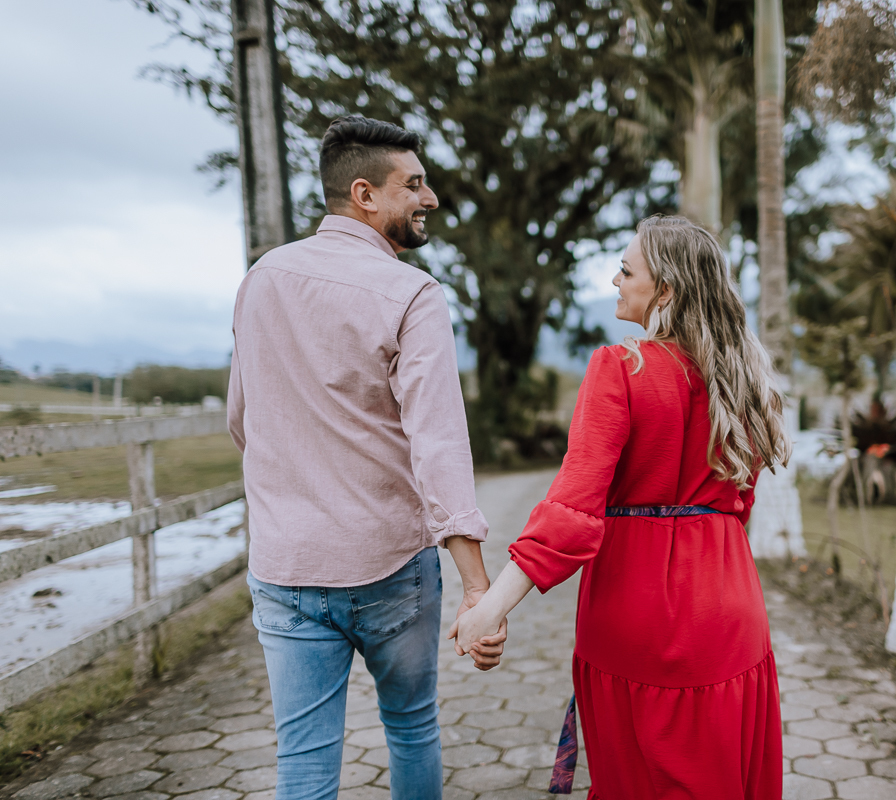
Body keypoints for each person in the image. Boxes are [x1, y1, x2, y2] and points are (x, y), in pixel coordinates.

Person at [450, 215, 791, 799]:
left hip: (636, 612)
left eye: (627, 271)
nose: (615, 280)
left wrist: (490, 608)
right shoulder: (744, 380)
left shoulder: (621, 367)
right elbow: (739, 505)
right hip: (730, 607)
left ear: (666, 290)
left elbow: (572, 511)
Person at [227, 115, 504, 800]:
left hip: (286, 566)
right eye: (414, 185)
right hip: (390, 567)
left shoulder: (262, 278)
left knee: (302, 758)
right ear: (365, 194)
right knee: (411, 726)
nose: (429, 198)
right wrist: (478, 588)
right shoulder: (413, 294)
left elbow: (242, 419)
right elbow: (438, 444)